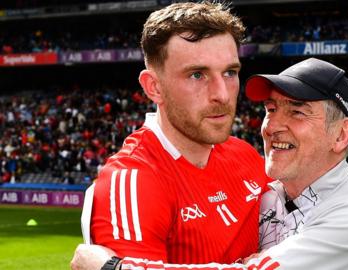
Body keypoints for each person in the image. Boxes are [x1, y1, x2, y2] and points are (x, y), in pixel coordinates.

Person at [72, 57, 348, 270]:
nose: (273, 126)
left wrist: (112, 268)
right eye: (271, 109)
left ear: (341, 135)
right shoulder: (270, 195)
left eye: (297, 111)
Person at [72, 2, 270, 269]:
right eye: (197, 75)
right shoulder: (133, 179)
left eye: (230, 72)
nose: (222, 94)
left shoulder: (245, 154)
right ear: (153, 87)